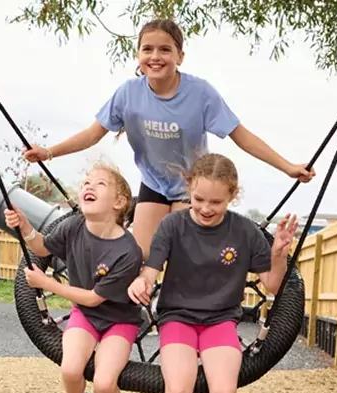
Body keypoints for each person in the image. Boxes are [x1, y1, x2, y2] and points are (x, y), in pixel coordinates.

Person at [22, 18, 314, 261]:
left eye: (165, 49)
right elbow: (92, 133)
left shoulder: (201, 94)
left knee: (184, 255)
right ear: (138, 55)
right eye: (147, 49)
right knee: (142, 254)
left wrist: (287, 167)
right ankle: (129, 313)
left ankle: (186, 313)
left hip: (192, 187)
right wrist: (48, 152)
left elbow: (242, 136)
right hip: (153, 183)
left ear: (179, 56)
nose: (155, 57)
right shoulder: (128, 93)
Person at [127, 153, 298, 393]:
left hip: (220, 320)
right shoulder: (173, 225)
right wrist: (142, 281)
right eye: (198, 199)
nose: (206, 208)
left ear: (232, 196)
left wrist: (279, 255)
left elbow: (272, 285)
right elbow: (151, 270)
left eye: (217, 202)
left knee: (225, 392)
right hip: (177, 317)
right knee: (177, 391)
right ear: (188, 188)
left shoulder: (246, 231)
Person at [4, 162, 143, 393]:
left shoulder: (128, 251)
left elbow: (93, 298)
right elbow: (41, 246)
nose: (89, 186)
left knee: (104, 382)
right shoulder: (72, 226)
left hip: (119, 321)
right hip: (86, 316)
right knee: (70, 370)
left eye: (100, 184)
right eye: (86, 182)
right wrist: (25, 226)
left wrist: (47, 283)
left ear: (118, 203)